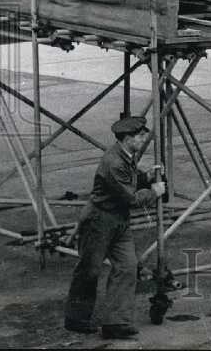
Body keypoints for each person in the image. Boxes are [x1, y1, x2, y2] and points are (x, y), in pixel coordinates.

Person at [64, 116, 165, 339]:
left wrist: (146, 177)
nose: (143, 138)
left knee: (128, 267)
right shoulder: (114, 162)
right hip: (99, 221)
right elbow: (129, 198)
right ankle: (76, 318)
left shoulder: (126, 155)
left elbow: (129, 180)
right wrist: (154, 192)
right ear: (126, 138)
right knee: (90, 269)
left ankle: (116, 323)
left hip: (118, 221)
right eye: (139, 136)